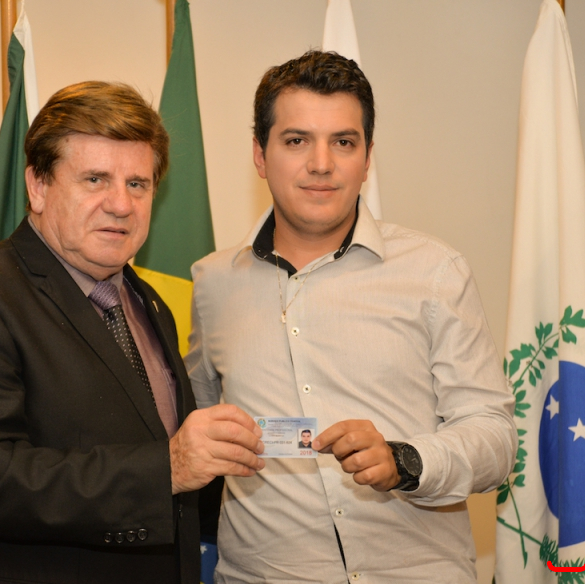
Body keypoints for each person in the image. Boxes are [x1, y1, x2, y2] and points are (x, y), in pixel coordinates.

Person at [0, 81, 265, 584]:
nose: (121, 204)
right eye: (95, 179)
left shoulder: (149, 304)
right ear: (38, 186)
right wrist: (167, 469)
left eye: (138, 184)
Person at [185, 51, 517, 583]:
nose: (322, 163)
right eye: (297, 140)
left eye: (343, 142)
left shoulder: (435, 272)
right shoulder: (212, 283)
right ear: (260, 154)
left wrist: (405, 460)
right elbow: (197, 428)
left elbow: (495, 438)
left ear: (367, 159)